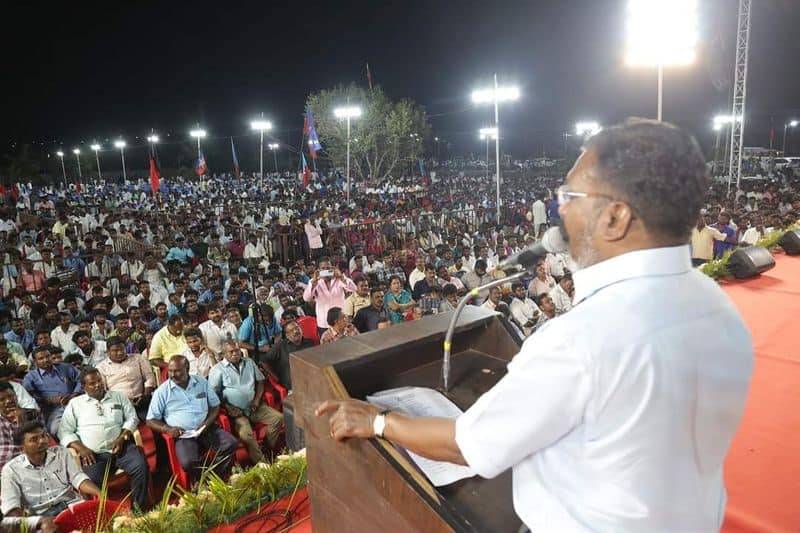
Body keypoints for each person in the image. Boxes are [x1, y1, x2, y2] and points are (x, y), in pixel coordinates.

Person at [314, 120, 753, 532]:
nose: (559, 209)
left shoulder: (582, 340)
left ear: (616, 217)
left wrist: (377, 421)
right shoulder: (718, 306)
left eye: (570, 196)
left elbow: (467, 446)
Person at [58, 368, 148, 511]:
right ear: (83, 387)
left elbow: (132, 418)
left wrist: (122, 437)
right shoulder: (75, 404)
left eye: (99, 381)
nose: (98, 385)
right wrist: (82, 449)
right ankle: (104, 515)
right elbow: (64, 431)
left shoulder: (118, 397)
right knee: (91, 481)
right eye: (92, 383)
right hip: (94, 454)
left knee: (140, 466)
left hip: (122, 446)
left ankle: (139, 510)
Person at [146, 355, 237, 486]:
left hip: (206, 428)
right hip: (183, 434)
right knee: (188, 461)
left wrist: (206, 423)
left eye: (177, 371)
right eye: (170, 371)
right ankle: (206, 480)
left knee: (230, 444)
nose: (172, 374)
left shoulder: (201, 382)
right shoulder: (162, 392)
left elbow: (215, 406)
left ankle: (212, 478)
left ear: (187, 369)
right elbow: (150, 420)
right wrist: (168, 429)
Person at [1, 420, 101, 521]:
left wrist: (99, 493)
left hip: (71, 506)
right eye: (34, 439)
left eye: (43, 436)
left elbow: (77, 478)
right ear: (22, 448)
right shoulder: (11, 470)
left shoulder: (61, 453)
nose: (42, 440)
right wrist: (30, 524)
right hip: (41, 518)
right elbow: (11, 506)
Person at [208, 341, 283, 464]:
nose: (235, 354)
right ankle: (262, 463)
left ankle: (268, 449)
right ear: (223, 354)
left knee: (278, 418)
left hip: (254, 406)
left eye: (237, 350)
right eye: (231, 352)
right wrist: (228, 408)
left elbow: (260, 381)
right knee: (245, 434)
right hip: (236, 412)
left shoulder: (249, 362)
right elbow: (213, 395)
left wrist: (257, 400)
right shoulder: (217, 370)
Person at [23, 346, 82, 435]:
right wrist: (48, 400)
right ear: (35, 362)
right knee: (54, 430)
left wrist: (74, 394)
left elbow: (81, 379)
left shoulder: (65, 367)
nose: (46, 360)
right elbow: (29, 396)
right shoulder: (30, 377)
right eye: (41, 358)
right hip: (53, 410)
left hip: (74, 402)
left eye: (48, 356)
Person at [96, 337, 156, 421]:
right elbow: (103, 391)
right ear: (108, 352)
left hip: (142, 400)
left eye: (122, 349)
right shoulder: (101, 368)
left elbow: (149, 377)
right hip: (119, 405)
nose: (120, 353)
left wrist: (145, 395)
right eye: (115, 350)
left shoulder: (137, 358)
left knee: (154, 422)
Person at [302, 263, 356, 335]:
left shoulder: (339, 279)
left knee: (344, 343)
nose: (326, 271)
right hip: (323, 322)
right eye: (323, 268)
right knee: (326, 344)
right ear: (319, 270)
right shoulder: (314, 281)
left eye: (328, 268)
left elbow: (354, 289)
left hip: (340, 320)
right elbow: (306, 298)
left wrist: (341, 277)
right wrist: (314, 283)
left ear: (333, 268)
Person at [258, 320, 313, 390]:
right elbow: (264, 361)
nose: (295, 331)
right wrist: (275, 377)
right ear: (287, 335)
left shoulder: (310, 343)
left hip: (311, 380)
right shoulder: (280, 347)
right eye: (291, 330)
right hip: (292, 386)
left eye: (297, 328)